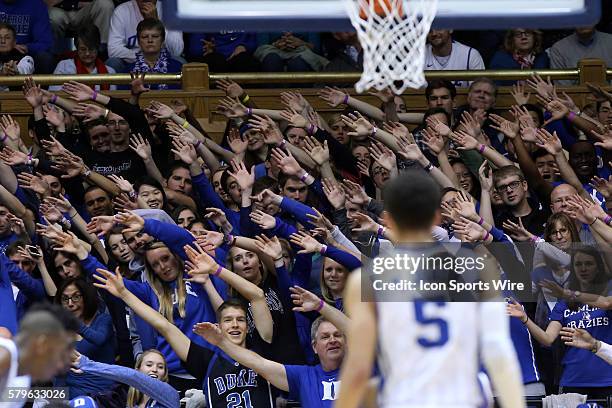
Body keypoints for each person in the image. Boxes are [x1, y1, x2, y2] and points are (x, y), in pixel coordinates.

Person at [334, 171, 525, 408]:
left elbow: (359, 367)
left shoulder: (366, 280)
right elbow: (497, 350)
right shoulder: (479, 268)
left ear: (388, 220)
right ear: (436, 217)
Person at [0, 305, 78, 407]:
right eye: (61, 355)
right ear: (42, 344)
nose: (60, 366)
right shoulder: (4, 354)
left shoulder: (23, 381)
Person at [70, 349, 180, 408]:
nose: (154, 369)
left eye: (160, 367)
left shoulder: (171, 395)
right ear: (138, 369)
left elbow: (131, 376)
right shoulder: (125, 399)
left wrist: (88, 365)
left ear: (165, 374)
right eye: (149, 365)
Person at [107, 0, 183, 73]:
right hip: (131, 61)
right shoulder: (122, 11)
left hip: (163, 59)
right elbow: (113, 50)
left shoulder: (169, 11)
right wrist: (145, 57)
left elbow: (176, 50)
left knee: (180, 62)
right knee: (113, 62)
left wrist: (156, 21)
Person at [51, 25, 116, 91]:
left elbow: (112, 100)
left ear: (97, 47)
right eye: (83, 49)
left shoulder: (110, 72)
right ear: (77, 48)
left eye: (91, 49)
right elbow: (54, 95)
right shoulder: (64, 66)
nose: (87, 53)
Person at [125, 19, 182, 90]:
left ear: (162, 40)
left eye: (155, 36)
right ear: (139, 42)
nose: (150, 40)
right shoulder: (128, 70)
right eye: (145, 37)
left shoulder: (177, 68)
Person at [0, 0, 54, 73]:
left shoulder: (35, 5)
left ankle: (33, 83)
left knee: (45, 58)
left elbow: (46, 43)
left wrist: (26, 47)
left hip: (23, 55)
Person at [47, 0, 114, 55]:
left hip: (87, 8)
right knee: (54, 16)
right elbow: (47, 3)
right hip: (59, 10)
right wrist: (75, 3)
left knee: (106, 4)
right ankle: (55, 56)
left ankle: (101, 52)